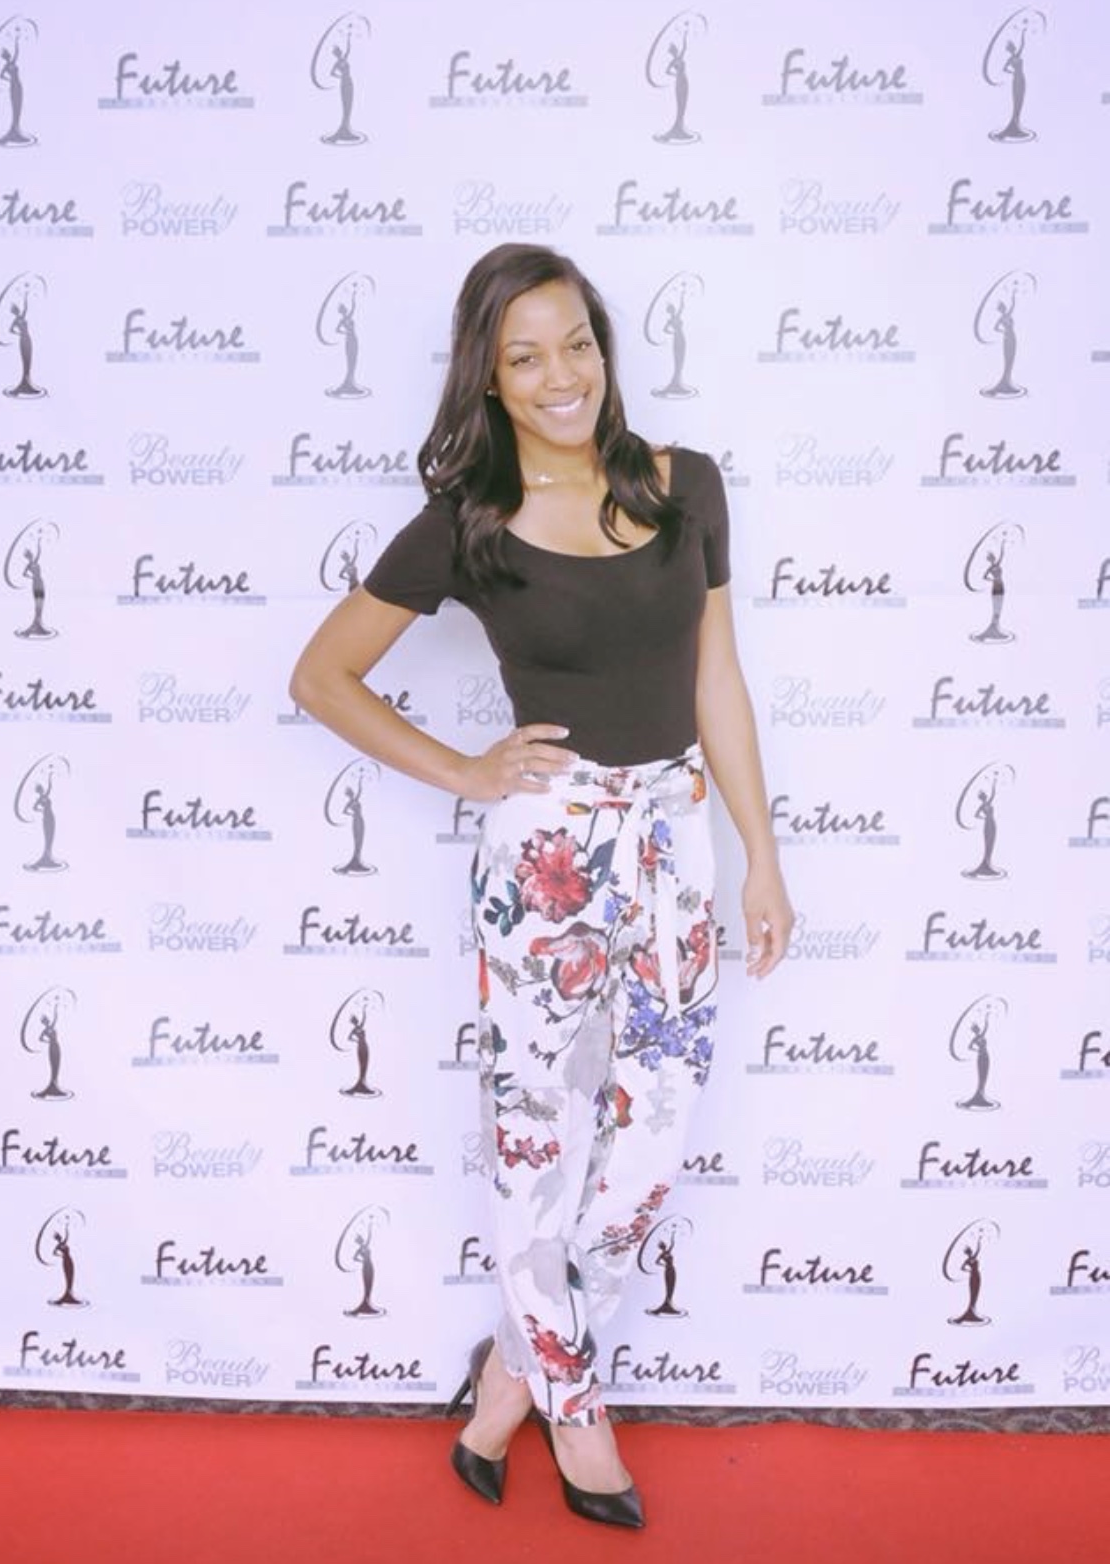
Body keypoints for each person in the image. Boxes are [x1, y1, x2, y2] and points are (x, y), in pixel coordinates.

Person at [290, 243, 792, 1529]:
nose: (560, 375)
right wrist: (464, 766)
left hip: (674, 845)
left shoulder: (689, 486)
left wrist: (761, 854)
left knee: (652, 1141)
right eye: (526, 357)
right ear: (492, 379)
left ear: (604, 348)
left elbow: (715, 679)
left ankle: (512, 1373)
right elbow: (322, 676)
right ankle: (577, 1407)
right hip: (546, 857)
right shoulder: (467, 523)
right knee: (537, 1143)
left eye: (577, 343)